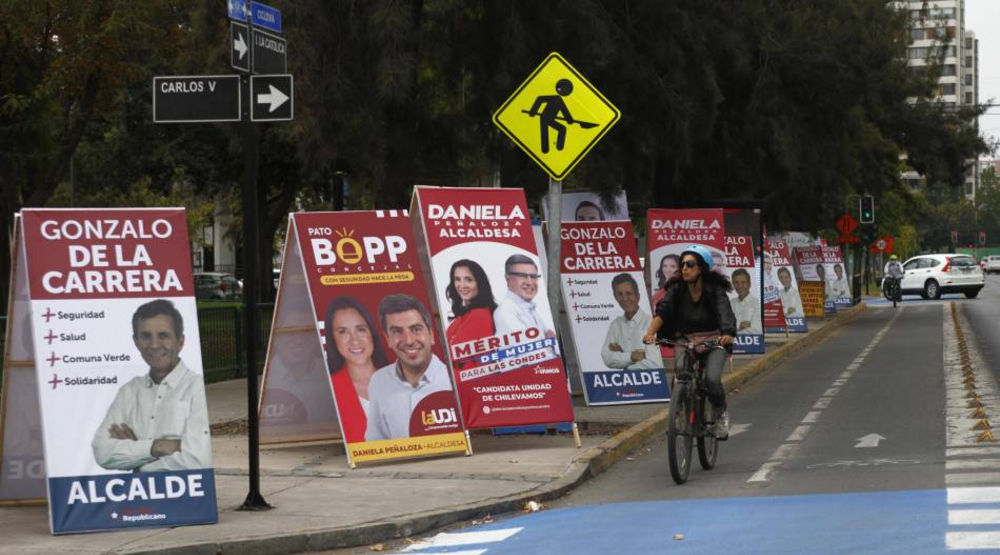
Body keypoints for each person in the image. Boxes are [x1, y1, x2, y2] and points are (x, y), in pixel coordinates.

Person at [92, 299, 212, 471]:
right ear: (136, 341)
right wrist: (157, 447)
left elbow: (200, 460)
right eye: (146, 336)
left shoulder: (197, 388)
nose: (154, 345)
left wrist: (139, 461)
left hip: (189, 496)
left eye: (163, 335)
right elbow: (102, 452)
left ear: (180, 341)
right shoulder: (129, 391)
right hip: (139, 496)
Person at [642, 246, 736, 440]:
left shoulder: (715, 290)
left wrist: (727, 333)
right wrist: (650, 332)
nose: (685, 268)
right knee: (679, 374)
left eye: (690, 264)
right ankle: (678, 415)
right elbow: (663, 310)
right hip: (685, 339)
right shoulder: (676, 289)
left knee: (711, 379)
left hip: (714, 339)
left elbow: (724, 311)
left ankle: (720, 415)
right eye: (682, 264)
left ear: (701, 268)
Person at [365, 294, 455, 441]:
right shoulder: (378, 381)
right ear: (387, 339)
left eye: (416, 329)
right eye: (397, 331)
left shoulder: (453, 378)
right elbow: (375, 438)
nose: (408, 340)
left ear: (431, 335)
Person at [326, 296, 389, 443]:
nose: (354, 340)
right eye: (343, 332)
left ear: (371, 333)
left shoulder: (403, 378)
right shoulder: (331, 389)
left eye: (361, 330)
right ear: (333, 339)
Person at [602, 273, 664, 370]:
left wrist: (625, 361)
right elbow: (607, 358)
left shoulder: (651, 322)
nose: (625, 298)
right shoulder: (616, 325)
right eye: (620, 294)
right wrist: (632, 356)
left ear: (638, 296)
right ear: (615, 297)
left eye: (629, 293)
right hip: (625, 383)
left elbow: (655, 363)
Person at [493, 255, 556, 339]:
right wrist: (549, 343)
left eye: (533, 276)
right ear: (508, 279)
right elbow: (533, 350)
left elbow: (551, 340)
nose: (529, 282)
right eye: (522, 276)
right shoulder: (506, 311)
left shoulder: (528, 308)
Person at [445, 260, 497, 346]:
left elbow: (457, 355)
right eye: (457, 279)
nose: (462, 285)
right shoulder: (464, 315)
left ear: (479, 283)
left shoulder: (479, 316)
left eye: (469, 280)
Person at [730, 269, 762, 334]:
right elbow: (724, 327)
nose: (739, 286)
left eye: (743, 282)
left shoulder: (757, 303)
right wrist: (740, 325)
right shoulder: (730, 303)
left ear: (749, 284)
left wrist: (734, 333)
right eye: (736, 282)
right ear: (733, 284)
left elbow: (757, 330)